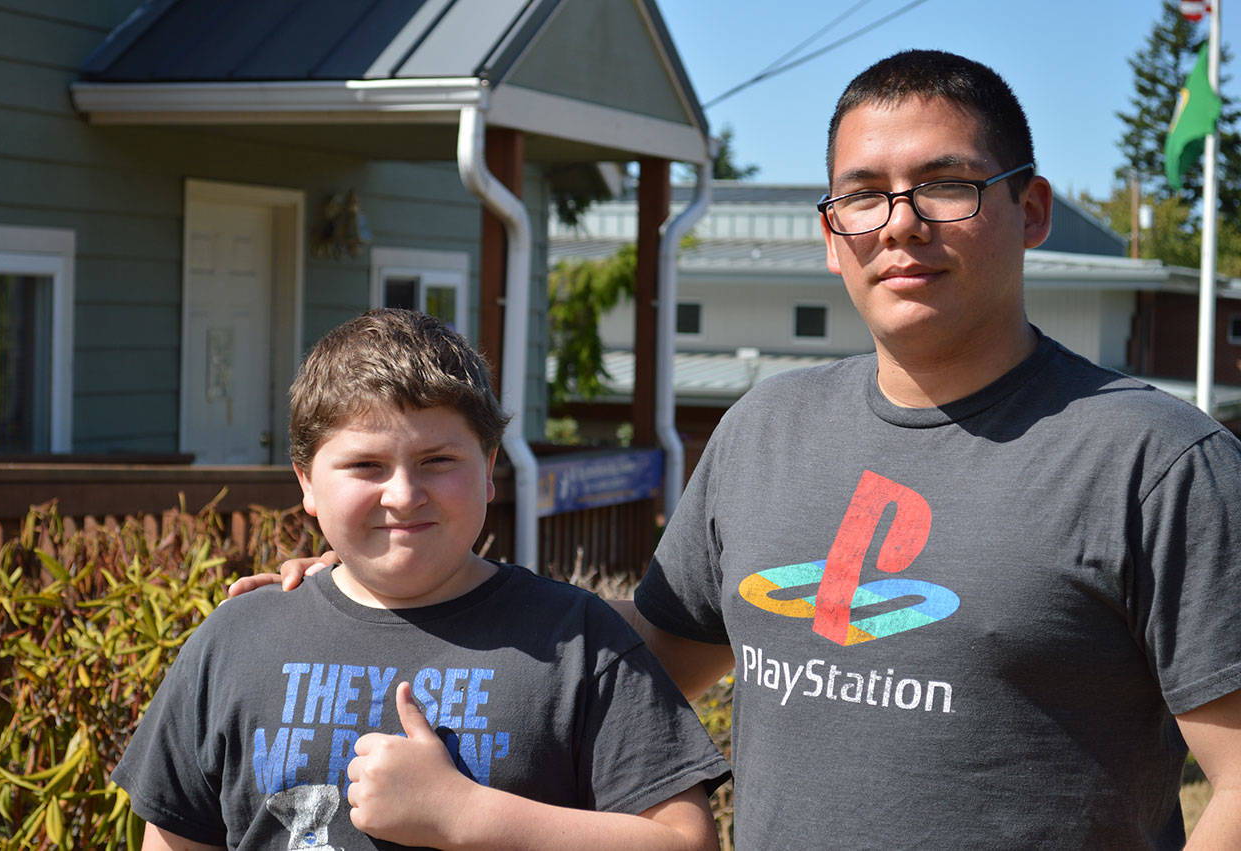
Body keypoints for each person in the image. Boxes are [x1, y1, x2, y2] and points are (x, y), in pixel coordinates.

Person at [240, 51, 1241, 848]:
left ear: (1027, 211)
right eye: (862, 194)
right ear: (827, 232)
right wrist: (382, 591)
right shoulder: (767, 426)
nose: (899, 224)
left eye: (944, 186)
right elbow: (645, 658)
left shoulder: (1151, 459)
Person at [115, 309, 729, 851]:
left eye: (438, 461)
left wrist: (468, 816)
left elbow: (685, 840)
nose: (404, 495)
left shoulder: (577, 643)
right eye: (366, 465)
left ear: (489, 470)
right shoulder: (236, 640)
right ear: (306, 482)